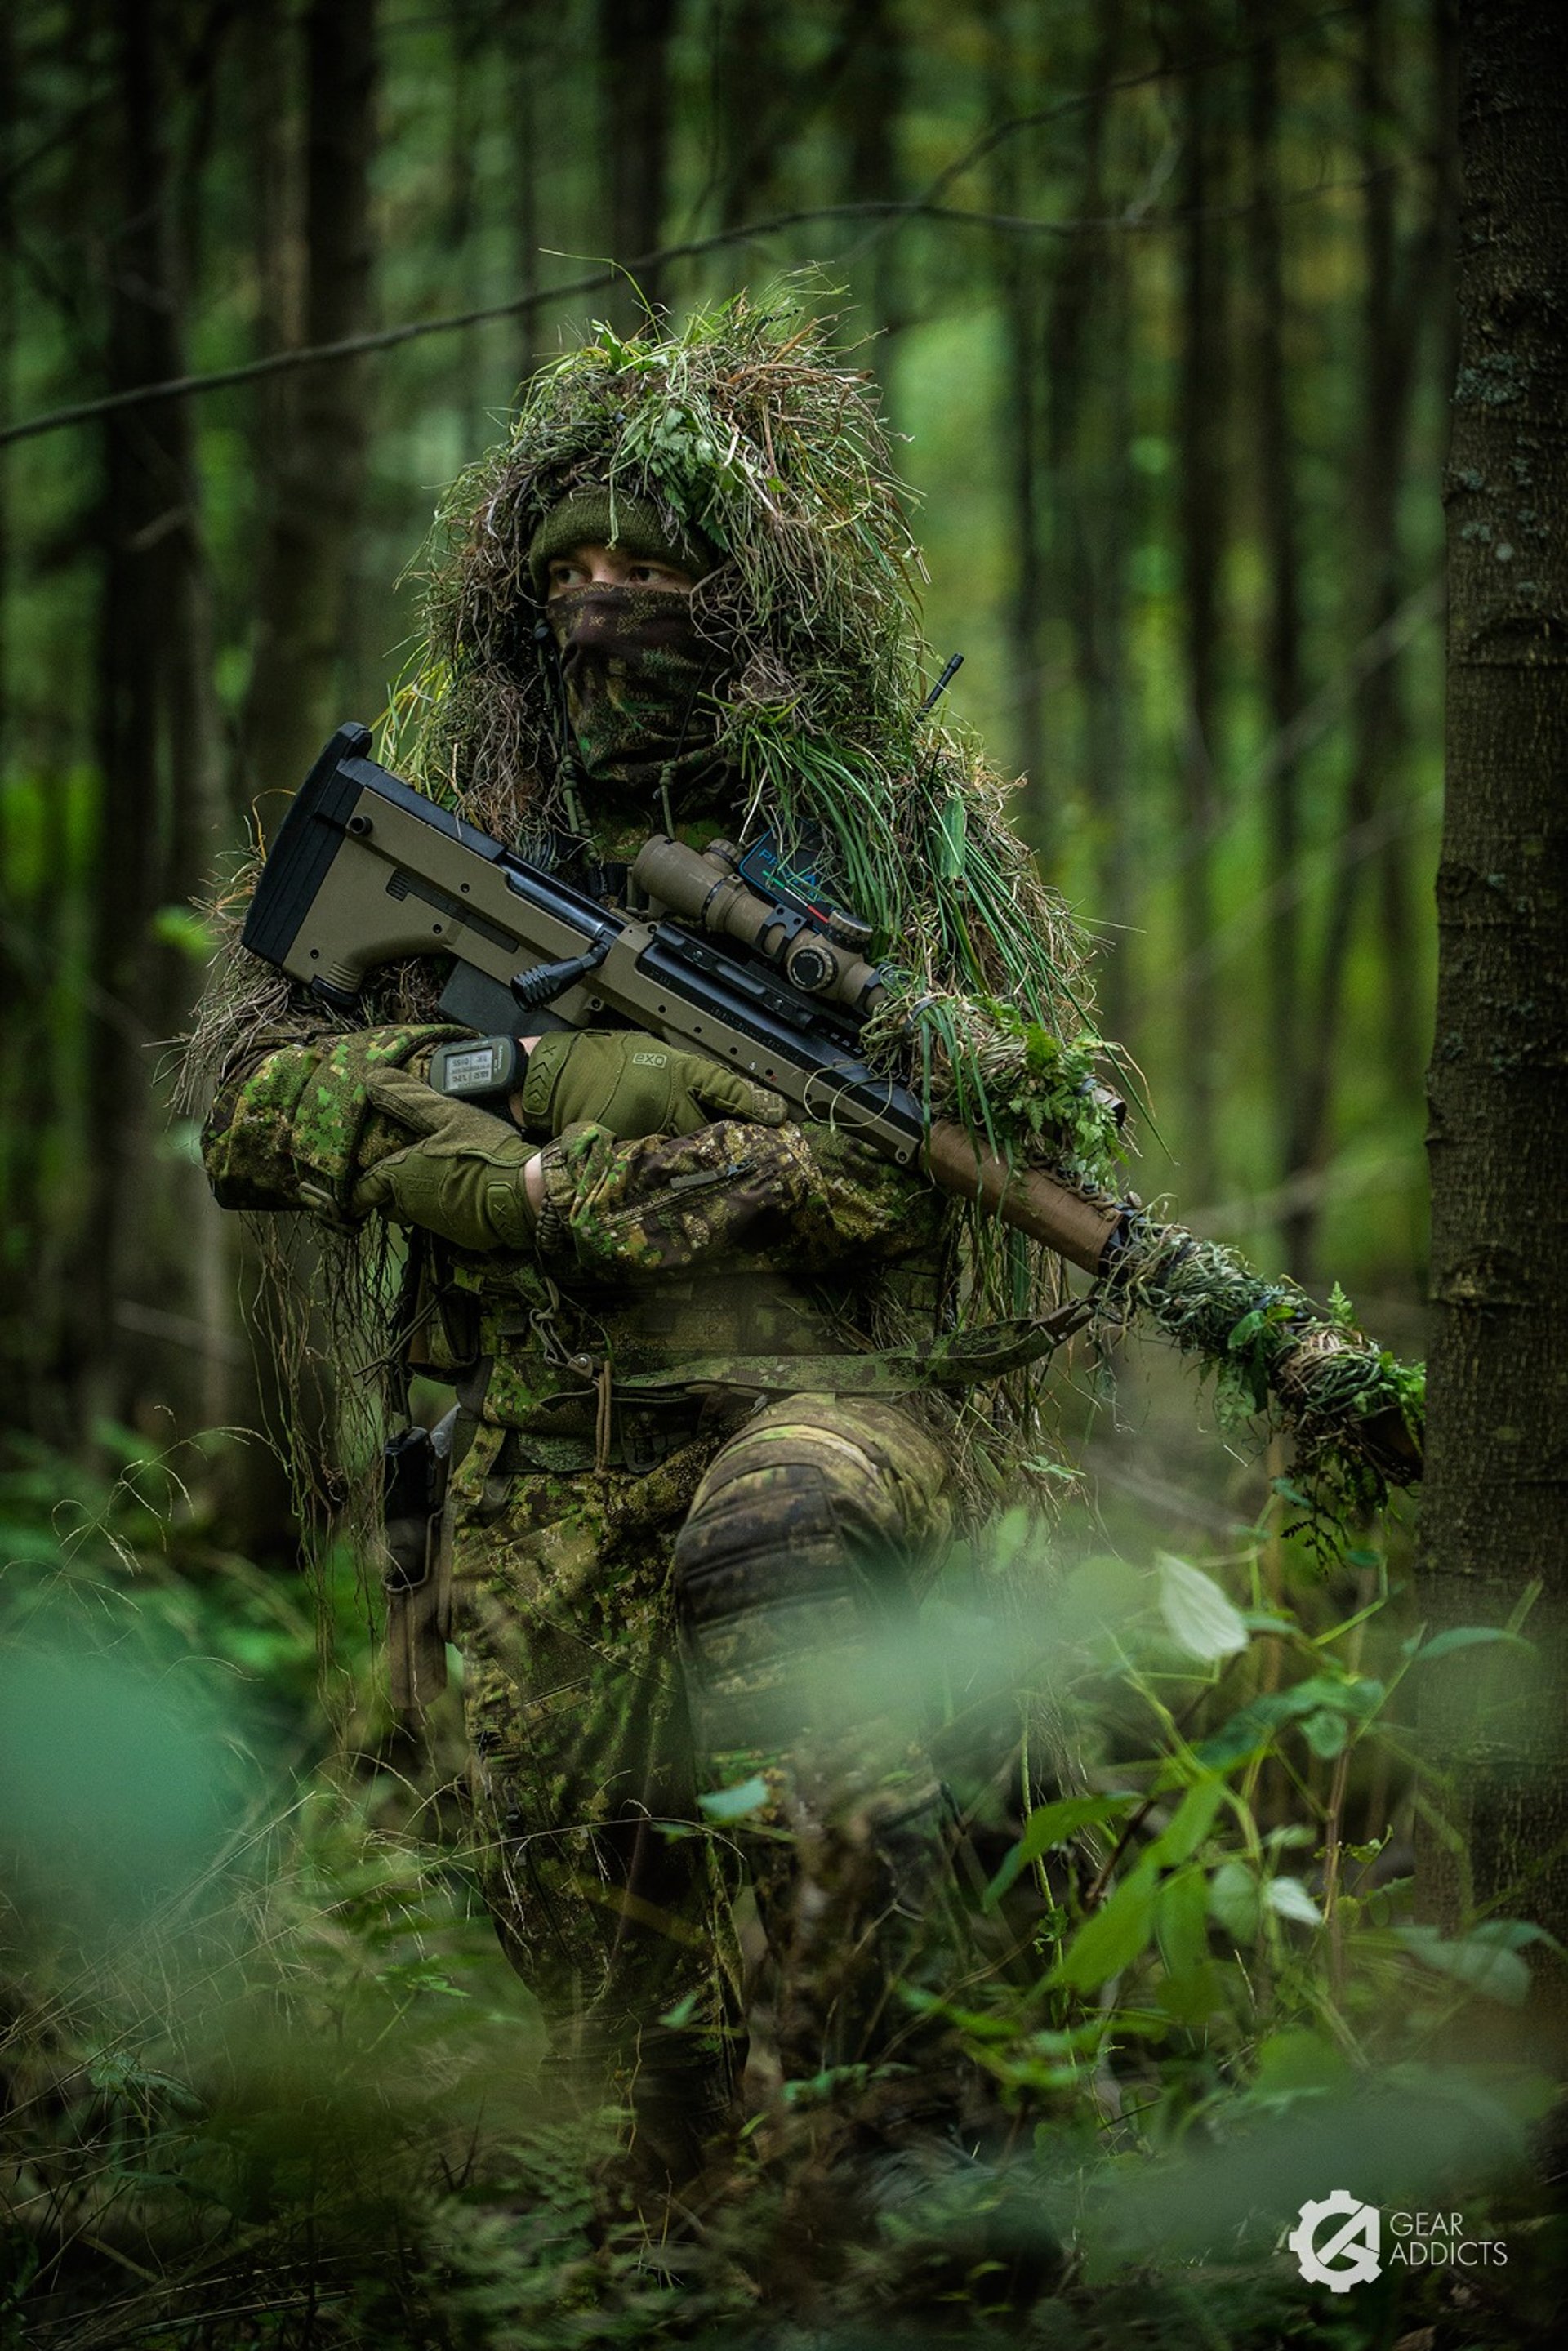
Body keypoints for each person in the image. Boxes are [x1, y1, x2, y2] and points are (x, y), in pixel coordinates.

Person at [190, 298, 1415, 2206]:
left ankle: (903, 2138)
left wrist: (645, 1167)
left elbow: (926, 1176)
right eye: (575, 570)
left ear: (744, 593)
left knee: (781, 1567)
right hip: (541, 1435)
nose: (609, 607)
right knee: (596, 1979)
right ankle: (682, 2205)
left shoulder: (892, 833)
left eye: (656, 571)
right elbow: (252, 1107)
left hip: (831, 1403)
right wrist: (503, 1116)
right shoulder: (462, 810)